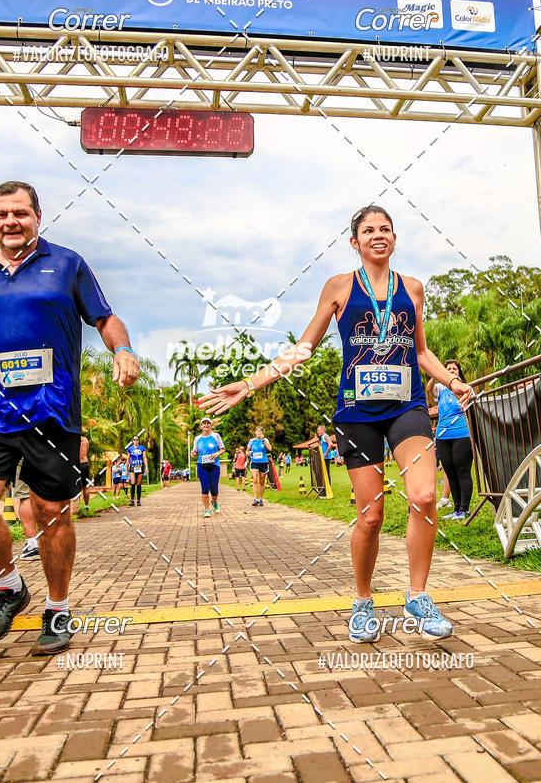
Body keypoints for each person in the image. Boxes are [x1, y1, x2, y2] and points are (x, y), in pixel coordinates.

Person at [201, 205, 472, 643]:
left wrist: (452, 381)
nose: (378, 235)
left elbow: (421, 353)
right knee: (371, 515)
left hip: (407, 407)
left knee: (423, 495)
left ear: (395, 238)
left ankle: (418, 595)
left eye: (385, 229)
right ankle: (363, 602)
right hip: (357, 412)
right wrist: (251, 384)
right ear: (355, 242)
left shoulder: (414, 289)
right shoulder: (339, 287)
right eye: (369, 230)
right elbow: (304, 347)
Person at [0, 181, 139, 656]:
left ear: (37, 216)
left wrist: (123, 349)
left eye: (20, 214)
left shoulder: (66, 263)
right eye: (2, 214)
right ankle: (9, 586)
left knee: (52, 513)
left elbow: (105, 318)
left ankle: (57, 607)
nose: (11, 222)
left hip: (52, 411)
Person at [427, 361, 474, 520]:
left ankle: (464, 509)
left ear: (459, 373)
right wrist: (435, 374)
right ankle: (456, 509)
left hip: (462, 434)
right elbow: (429, 390)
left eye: (454, 369)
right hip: (442, 436)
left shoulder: (466, 388)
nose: (452, 371)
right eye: (448, 369)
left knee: (462, 471)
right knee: (450, 472)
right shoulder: (440, 389)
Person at [191, 418, 225, 517]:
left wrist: (217, 454)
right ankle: (207, 510)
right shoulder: (197, 438)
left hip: (214, 465)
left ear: (210, 425)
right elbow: (195, 451)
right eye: (204, 423)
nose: (206, 425)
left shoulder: (215, 436)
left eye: (208, 423)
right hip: (202, 465)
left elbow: (222, 449)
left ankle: (214, 503)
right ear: (201, 426)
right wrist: (193, 453)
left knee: (214, 489)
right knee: (205, 488)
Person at [12, 462, 40, 561]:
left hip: (24, 453)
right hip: (48, 453)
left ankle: (32, 546)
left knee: (24, 496)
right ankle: (53, 543)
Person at [246, 426, 272, 507]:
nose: (259, 432)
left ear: (262, 433)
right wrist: (248, 453)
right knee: (254, 480)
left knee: (261, 482)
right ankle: (255, 499)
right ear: (255, 432)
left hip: (263, 462)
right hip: (254, 462)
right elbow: (247, 451)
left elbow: (270, 449)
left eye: (261, 431)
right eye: (258, 431)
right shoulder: (252, 441)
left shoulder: (265, 440)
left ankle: (260, 499)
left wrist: (263, 440)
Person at [126, 436, 148, 506]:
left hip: (140, 466)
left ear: (138, 441)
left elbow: (144, 458)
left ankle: (138, 500)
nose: (136, 441)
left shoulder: (142, 448)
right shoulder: (130, 449)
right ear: (133, 441)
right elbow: (128, 459)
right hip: (132, 466)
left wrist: (146, 467)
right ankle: (132, 500)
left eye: (137, 440)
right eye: (134, 440)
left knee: (138, 483)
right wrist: (126, 470)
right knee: (132, 482)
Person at [79, 435, 92, 514]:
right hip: (85, 464)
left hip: (76, 464)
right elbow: (86, 451)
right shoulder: (85, 439)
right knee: (85, 486)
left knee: (75, 486)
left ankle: (75, 507)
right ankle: (86, 505)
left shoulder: (72, 439)